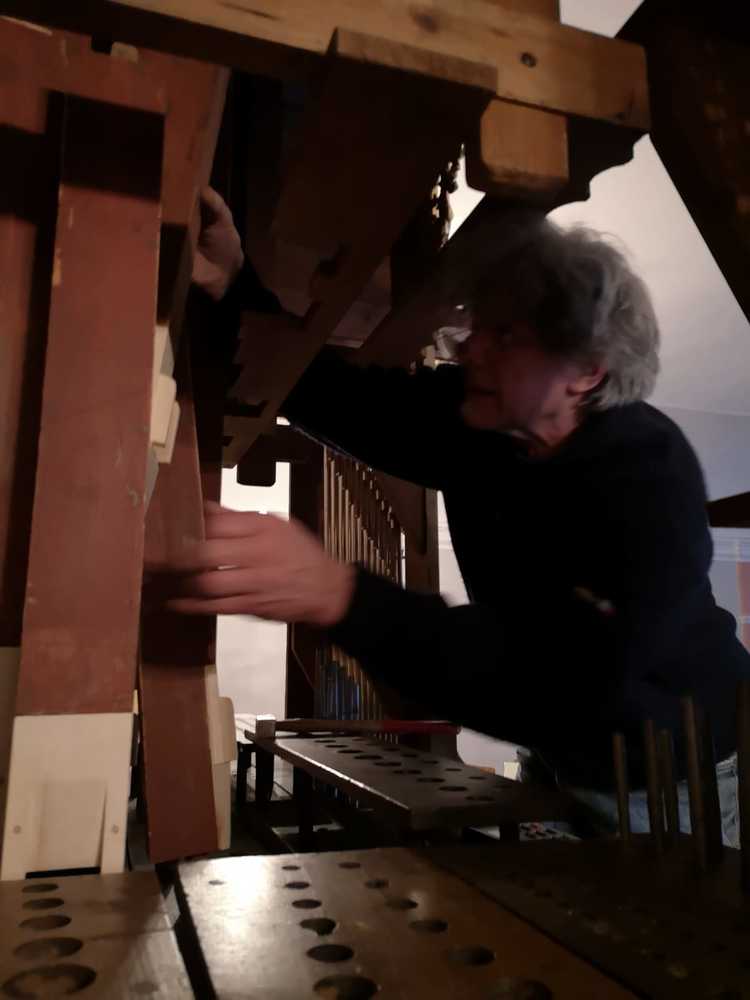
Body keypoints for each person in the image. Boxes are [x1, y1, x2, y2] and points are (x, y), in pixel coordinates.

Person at [166, 188, 750, 844]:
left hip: (686, 776)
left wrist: (337, 593)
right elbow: (342, 399)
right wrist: (235, 284)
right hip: (570, 753)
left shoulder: (648, 477)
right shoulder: (480, 420)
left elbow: (562, 684)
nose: (471, 348)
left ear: (586, 372)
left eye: (506, 337)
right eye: (480, 327)